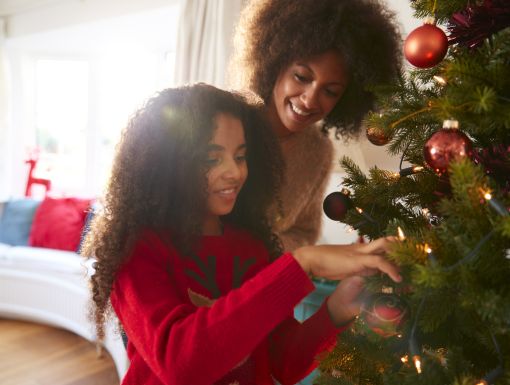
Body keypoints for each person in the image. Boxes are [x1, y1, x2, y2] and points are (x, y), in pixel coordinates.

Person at [81, 83, 401, 385]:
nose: (234, 172)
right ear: (167, 164)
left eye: (240, 156)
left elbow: (285, 362)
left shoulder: (250, 247)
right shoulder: (137, 250)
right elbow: (180, 364)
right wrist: (300, 264)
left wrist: (336, 309)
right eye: (211, 158)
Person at [229, 0, 402, 251]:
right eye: (301, 77)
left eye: (330, 91)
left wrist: (263, 251)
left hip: (262, 283)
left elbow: (303, 234)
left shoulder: (318, 152)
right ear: (274, 61)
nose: (310, 100)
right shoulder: (226, 119)